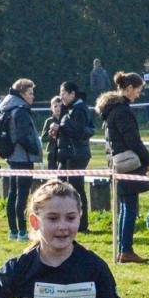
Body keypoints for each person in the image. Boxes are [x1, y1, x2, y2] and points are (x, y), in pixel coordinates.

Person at [98, 71, 149, 263]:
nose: (138, 95)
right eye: (137, 91)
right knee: (130, 208)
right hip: (127, 165)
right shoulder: (122, 111)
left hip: (116, 163)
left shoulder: (111, 110)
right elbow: (133, 140)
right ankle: (126, 249)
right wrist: (147, 160)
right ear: (129, 88)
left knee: (125, 207)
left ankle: (124, 248)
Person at [0, 79, 43, 241]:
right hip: (23, 157)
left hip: (12, 156)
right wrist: (34, 150)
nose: (33, 97)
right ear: (22, 94)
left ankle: (13, 230)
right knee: (21, 194)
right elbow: (22, 136)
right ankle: (22, 231)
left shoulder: (9, 108)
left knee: (13, 192)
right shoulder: (21, 110)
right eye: (30, 93)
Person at [53, 82, 95, 230]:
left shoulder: (80, 108)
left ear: (72, 94)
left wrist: (60, 128)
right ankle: (66, 220)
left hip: (77, 154)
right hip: (66, 153)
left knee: (76, 189)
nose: (61, 96)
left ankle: (82, 224)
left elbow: (78, 132)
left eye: (64, 93)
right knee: (62, 187)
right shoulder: (68, 108)